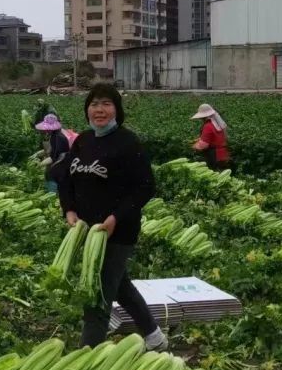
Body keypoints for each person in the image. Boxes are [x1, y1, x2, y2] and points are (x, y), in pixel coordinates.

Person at [57, 83, 167, 350]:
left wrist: (116, 218)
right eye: (94, 104)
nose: (99, 109)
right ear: (87, 110)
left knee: (97, 295)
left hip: (119, 231)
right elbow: (65, 179)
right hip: (89, 231)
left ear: (117, 109)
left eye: (106, 104)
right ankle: (155, 337)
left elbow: (145, 187)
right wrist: (69, 209)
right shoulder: (83, 141)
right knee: (118, 285)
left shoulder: (128, 143)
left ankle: (87, 356)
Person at [35, 113, 76, 193]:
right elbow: (52, 150)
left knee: (53, 182)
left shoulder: (58, 137)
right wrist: (40, 154)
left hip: (61, 165)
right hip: (59, 164)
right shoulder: (55, 135)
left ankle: (54, 195)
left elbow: (55, 157)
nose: (45, 129)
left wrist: (40, 164)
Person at [190, 103, 230, 170]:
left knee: (214, 173)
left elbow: (204, 145)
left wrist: (194, 146)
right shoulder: (218, 124)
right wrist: (198, 140)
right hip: (223, 154)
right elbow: (215, 137)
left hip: (214, 155)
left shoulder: (208, 126)